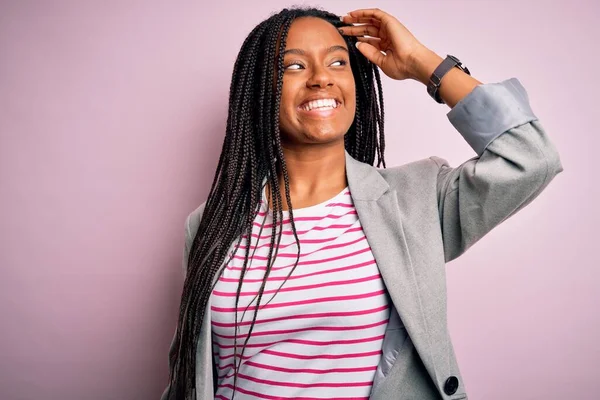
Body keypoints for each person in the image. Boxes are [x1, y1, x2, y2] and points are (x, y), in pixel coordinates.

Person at [161, 6, 563, 400]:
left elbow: (530, 157)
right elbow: (192, 375)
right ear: (259, 91)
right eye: (294, 66)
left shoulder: (415, 201)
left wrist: (424, 63)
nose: (321, 79)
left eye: (338, 63)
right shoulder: (212, 222)